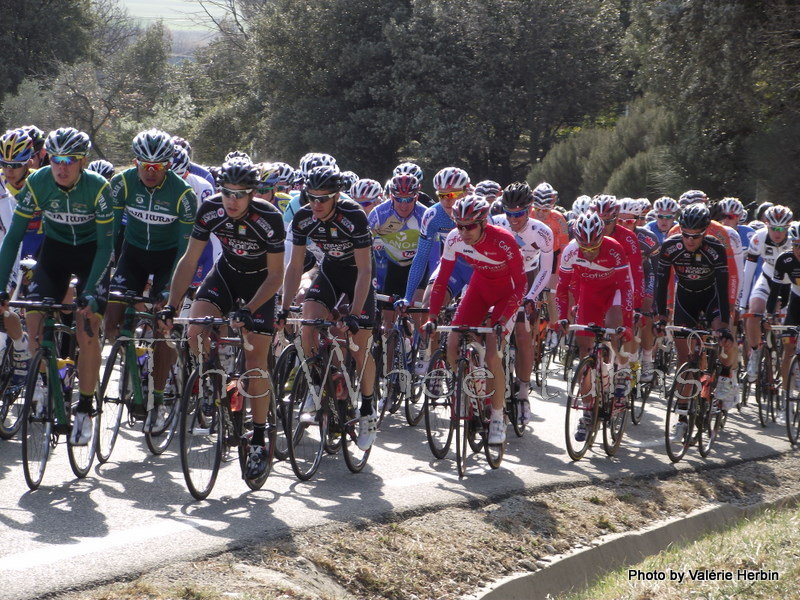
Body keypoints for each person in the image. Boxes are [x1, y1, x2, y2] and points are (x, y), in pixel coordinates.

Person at [161, 157, 285, 479]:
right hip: (226, 275)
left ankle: (258, 437)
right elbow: (189, 261)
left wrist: (249, 308)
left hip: (261, 284)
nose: (232, 200)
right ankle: (211, 383)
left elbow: (276, 276)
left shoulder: (269, 218)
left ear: (252, 193)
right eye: (227, 192)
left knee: (256, 359)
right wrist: (172, 306)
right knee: (195, 329)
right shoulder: (211, 210)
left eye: (240, 194)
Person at [0, 127, 114, 445]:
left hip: (92, 255)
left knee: (86, 325)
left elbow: (107, 248)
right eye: (56, 159)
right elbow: (13, 239)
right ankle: (43, 378)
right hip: (55, 253)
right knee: (33, 316)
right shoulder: (38, 182)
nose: (62, 167)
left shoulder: (98, 188)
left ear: (83, 162)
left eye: (70, 160)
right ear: (48, 158)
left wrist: (89, 290)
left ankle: (86, 409)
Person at [280, 165, 378, 451]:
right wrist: (284, 309)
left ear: (336, 196)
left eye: (323, 198)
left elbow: (364, 270)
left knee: (360, 346)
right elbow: (295, 265)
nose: (316, 204)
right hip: (331, 273)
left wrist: (356, 314)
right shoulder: (303, 217)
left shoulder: (353, 215)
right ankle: (315, 386)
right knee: (308, 324)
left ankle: (369, 409)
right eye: (311, 197)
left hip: (357, 277)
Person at [106, 129, 197, 430]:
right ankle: (128, 363)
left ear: (168, 165)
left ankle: (157, 398)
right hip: (132, 256)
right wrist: (107, 271)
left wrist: (171, 290)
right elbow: (110, 235)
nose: (149, 171)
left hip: (168, 260)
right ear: (135, 162)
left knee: (164, 326)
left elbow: (185, 250)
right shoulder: (121, 183)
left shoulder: (183, 195)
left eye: (156, 166)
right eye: (143, 164)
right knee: (111, 317)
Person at [424, 194, 527, 445]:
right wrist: (433, 316)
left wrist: (502, 319)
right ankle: (465, 386)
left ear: (482, 222)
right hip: (479, 287)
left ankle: (498, 416)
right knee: (452, 342)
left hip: (506, 294)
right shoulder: (454, 239)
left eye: (470, 226)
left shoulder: (504, 240)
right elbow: (441, 280)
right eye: (459, 225)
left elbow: (521, 284)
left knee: (493, 355)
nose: (464, 231)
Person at [654, 203, 738, 432]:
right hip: (686, 299)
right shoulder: (670, 247)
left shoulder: (715, 248)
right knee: (684, 359)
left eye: (696, 236)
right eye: (686, 235)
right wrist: (661, 316)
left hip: (711, 298)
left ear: (706, 232)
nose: (690, 240)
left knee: (724, 338)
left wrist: (724, 325)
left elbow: (722, 288)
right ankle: (682, 415)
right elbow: (661, 285)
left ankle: (726, 375)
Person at [557, 212, 633, 442]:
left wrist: (627, 324)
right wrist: (562, 317)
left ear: (602, 237)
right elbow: (562, 287)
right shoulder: (570, 251)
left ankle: (622, 371)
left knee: (613, 330)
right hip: (589, 293)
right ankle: (588, 411)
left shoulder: (614, 249)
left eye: (594, 246)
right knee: (584, 351)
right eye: (584, 246)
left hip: (613, 292)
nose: (589, 251)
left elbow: (627, 287)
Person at [492, 182, 554, 426]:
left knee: (523, 332)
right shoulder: (496, 223)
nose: (513, 218)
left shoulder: (542, 232)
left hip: (529, 279)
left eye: (518, 214)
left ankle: (523, 393)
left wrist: (530, 297)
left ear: (529, 209)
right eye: (509, 213)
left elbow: (546, 269)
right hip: (502, 277)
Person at [739, 205, 793, 382]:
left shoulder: (795, 239)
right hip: (768, 278)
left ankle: (792, 365)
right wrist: (741, 303)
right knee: (753, 314)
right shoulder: (759, 237)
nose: (777, 233)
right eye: (773, 228)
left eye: (781, 229)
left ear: (788, 227)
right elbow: (748, 272)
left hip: (791, 283)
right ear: (766, 225)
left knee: (789, 329)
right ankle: (755, 353)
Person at [368, 174, 427, 327]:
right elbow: (364, 247)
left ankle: (419, 348)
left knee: (417, 319)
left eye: (409, 199)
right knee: (388, 324)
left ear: (417, 196)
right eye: (399, 198)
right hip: (393, 267)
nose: (403, 204)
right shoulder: (378, 214)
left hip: (419, 267)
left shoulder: (425, 215)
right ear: (391, 196)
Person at [531, 182, 569, 351]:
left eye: (545, 210)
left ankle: (553, 328)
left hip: (553, 256)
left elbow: (563, 249)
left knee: (551, 293)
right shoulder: (528, 214)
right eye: (537, 208)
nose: (540, 213)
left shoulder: (558, 219)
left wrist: (558, 274)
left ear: (552, 207)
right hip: (532, 254)